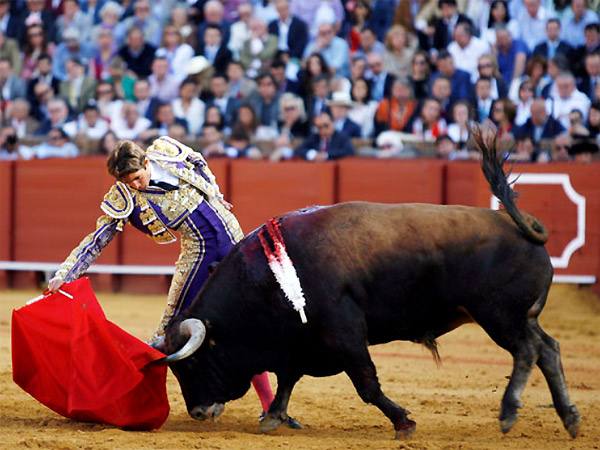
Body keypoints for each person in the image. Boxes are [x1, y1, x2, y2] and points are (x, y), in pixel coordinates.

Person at [46, 135, 300, 428]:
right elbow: (99, 238)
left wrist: (214, 192)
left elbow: (197, 161)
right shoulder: (124, 196)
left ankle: (271, 409)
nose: (135, 186)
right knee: (168, 330)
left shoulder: (166, 150)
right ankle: (131, 401)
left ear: (146, 162)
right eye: (129, 182)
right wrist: (65, 274)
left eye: (137, 178)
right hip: (198, 252)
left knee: (250, 322)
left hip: (233, 240)